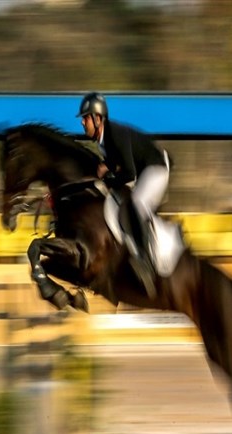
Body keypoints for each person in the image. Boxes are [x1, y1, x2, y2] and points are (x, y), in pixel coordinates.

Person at [77, 92, 170, 297]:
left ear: (98, 118)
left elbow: (128, 173)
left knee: (137, 203)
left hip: (155, 169)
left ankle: (146, 262)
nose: (83, 123)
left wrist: (106, 177)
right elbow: (118, 163)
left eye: (86, 118)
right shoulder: (103, 140)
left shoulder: (114, 134)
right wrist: (105, 168)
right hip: (143, 171)